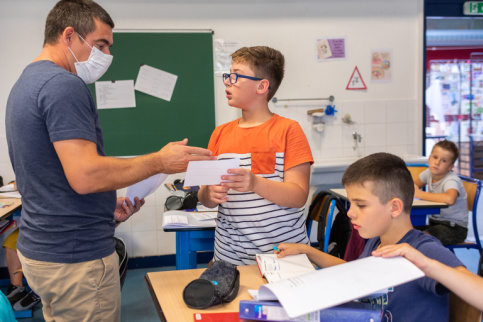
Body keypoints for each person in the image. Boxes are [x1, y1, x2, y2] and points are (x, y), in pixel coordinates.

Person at [5, 1, 213, 321]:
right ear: (69, 35)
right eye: (100, 44)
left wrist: (104, 208)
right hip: (75, 258)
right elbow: (86, 174)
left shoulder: (27, 83)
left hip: (44, 248)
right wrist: (158, 161)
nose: (106, 55)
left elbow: (55, 175)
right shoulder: (63, 84)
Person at [276, 153, 468, 321]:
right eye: (351, 204)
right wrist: (308, 251)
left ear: (394, 207)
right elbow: (355, 272)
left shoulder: (423, 250)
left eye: (361, 205)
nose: (350, 213)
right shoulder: (377, 242)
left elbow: (468, 283)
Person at [198, 46, 314, 265]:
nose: (227, 81)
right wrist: (208, 194)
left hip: (282, 257)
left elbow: (298, 196)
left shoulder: (288, 130)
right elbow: (204, 196)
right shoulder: (220, 133)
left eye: (236, 76)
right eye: (227, 75)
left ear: (262, 86)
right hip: (229, 258)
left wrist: (254, 183)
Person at [373, 243, 483, 312]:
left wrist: (427, 265)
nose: (354, 214)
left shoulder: (426, 248)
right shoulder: (374, 242)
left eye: (362, 205)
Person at [414, 140, 468, 245]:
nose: (437, 162)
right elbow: (412, 185)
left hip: (454, 228)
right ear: (429, 158)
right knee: (410, 232)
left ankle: (426, 260)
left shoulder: (451, 180)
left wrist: (420, 194)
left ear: (450, 167)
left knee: (422, 238)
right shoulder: (429, 173)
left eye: (444, 160)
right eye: (435, 157)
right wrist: (414, 189)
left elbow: (450, 199)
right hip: (435, 224)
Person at [2, 228, 41, 311]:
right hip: (36, 224)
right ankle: (17, 289)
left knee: (44, 245)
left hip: (61, 226)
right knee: (12, 241)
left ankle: (38, 292)